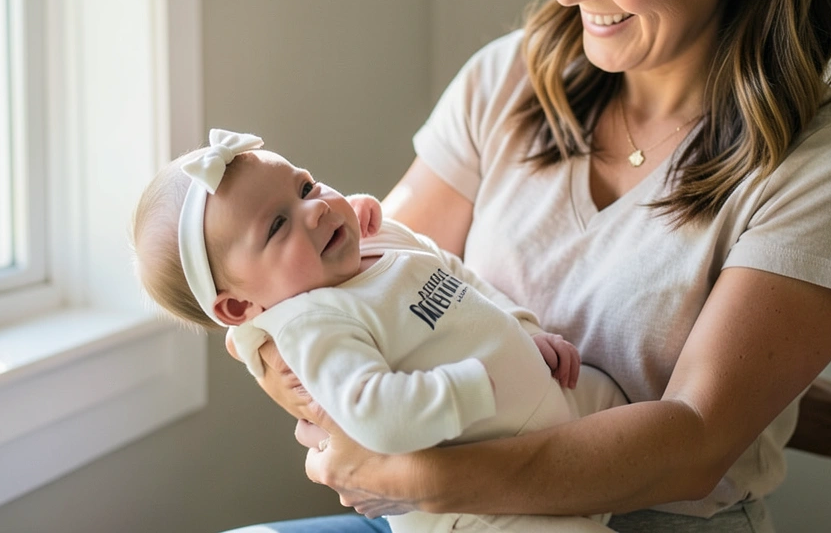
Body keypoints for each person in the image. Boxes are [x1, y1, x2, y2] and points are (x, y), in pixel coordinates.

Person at [231, 0, 831, 531]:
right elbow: (343, 284)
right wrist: (300, 370)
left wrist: (412, 474)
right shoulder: (508, 79)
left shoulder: (826, 170)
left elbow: (693, 440)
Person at [131, 129, 629, 533]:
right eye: (278, 226)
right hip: (477, 512)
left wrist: (524, 330)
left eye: (304, 187)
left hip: (550, 410)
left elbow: (458, 274)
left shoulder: (378, 238)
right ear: (240, 305)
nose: (318, 208)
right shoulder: (311, 326)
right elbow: (373, 412)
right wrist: (469, 388)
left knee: (627, 405)